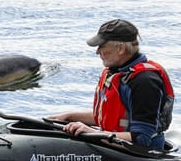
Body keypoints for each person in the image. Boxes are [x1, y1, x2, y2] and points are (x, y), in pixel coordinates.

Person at [49, 19, 174, 150]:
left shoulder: (144, 82)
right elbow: (110, 115)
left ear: (120, 48)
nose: (97, 51)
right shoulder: (118, 72)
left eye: (101, 46)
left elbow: (141, 139)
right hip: (112, 145)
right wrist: (68, 117)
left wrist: (93, 133)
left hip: (140, 154)